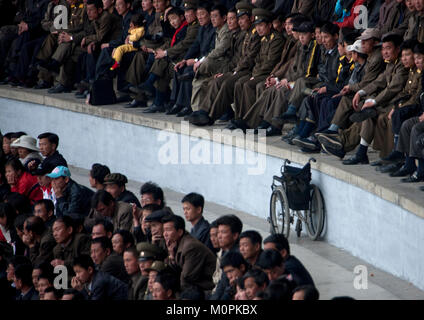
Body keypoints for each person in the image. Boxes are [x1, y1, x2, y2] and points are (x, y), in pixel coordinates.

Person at [319, 33, 410, 164]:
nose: (384, 52)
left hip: (395, 104)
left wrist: (374, 101)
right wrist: (361, 93)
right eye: (383, 49)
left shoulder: (401, 66)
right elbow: (378, 82)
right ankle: (348, 146)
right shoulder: (390, 64)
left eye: (388, 48)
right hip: (387, 103)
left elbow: (393, 89)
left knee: (368, 114)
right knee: (367, 114)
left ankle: (347, 146)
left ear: (397, 49)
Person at [162, 214, 216, 292]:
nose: (165, 234)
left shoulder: (190, 247)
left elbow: (186, 278)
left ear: (180, 232)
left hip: (206, 290)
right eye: (164, 230)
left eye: (168, 230)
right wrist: (172, 256)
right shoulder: (174, 244)